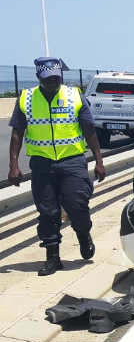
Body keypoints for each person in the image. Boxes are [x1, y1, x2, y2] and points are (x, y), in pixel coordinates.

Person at [7, 58, 106, 276]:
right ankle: (52, 257)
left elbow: (89, 130)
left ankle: (83, 234)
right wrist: (14, 165)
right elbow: (17, 133)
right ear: (38, 78)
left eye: (56, 78)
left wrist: (98, 160)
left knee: (77, 204)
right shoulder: (26, 98)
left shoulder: (74, 96)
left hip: (72, 161)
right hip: (42, 164)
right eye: (47, 79)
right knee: (47, 211)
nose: (53, 82)